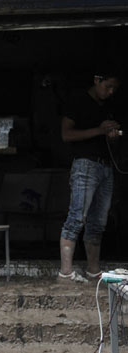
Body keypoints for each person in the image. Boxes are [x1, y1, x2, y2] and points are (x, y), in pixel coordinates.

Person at [58, 71, 122, 283]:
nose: (110, 92)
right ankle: (65, 272)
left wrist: (112, 135)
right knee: (77, 217)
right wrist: (99, 130)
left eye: (114, 89)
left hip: (105, 166)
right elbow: (66, 134)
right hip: (85, 165)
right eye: (108, 86)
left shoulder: (108, 106)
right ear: (97, 80)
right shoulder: (78, 100)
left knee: (98, 222)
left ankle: (93, 271)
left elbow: (109, 140)